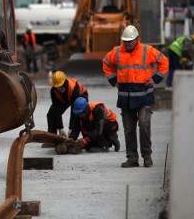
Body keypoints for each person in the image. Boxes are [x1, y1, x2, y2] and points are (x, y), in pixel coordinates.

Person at [102, 25, 169, 168]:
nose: (126, 44)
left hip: (144, 96)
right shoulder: (117, 51)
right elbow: (106, 63)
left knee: (144, 125)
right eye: (125, 41)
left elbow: (164, 62)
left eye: (129, 41)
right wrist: (113, 80)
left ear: (136, 39)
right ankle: (132, 158)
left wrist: (155, 79)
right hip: (125, 98)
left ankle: (147, 156)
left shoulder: (147, 50)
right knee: (129, 128)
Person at [47, 71, 88, 137]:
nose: (60, 90)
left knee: (80, 113)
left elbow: (73, 110)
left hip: (80, 96)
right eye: (58, 87)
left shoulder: (74, 88)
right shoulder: (53, 91)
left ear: (65, 83)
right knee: (51, 113)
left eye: (61, 86)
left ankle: (85, 137)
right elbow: (56, 109)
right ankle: (52, 136)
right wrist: (60, 128)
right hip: (65, 99)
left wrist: (71, 128)